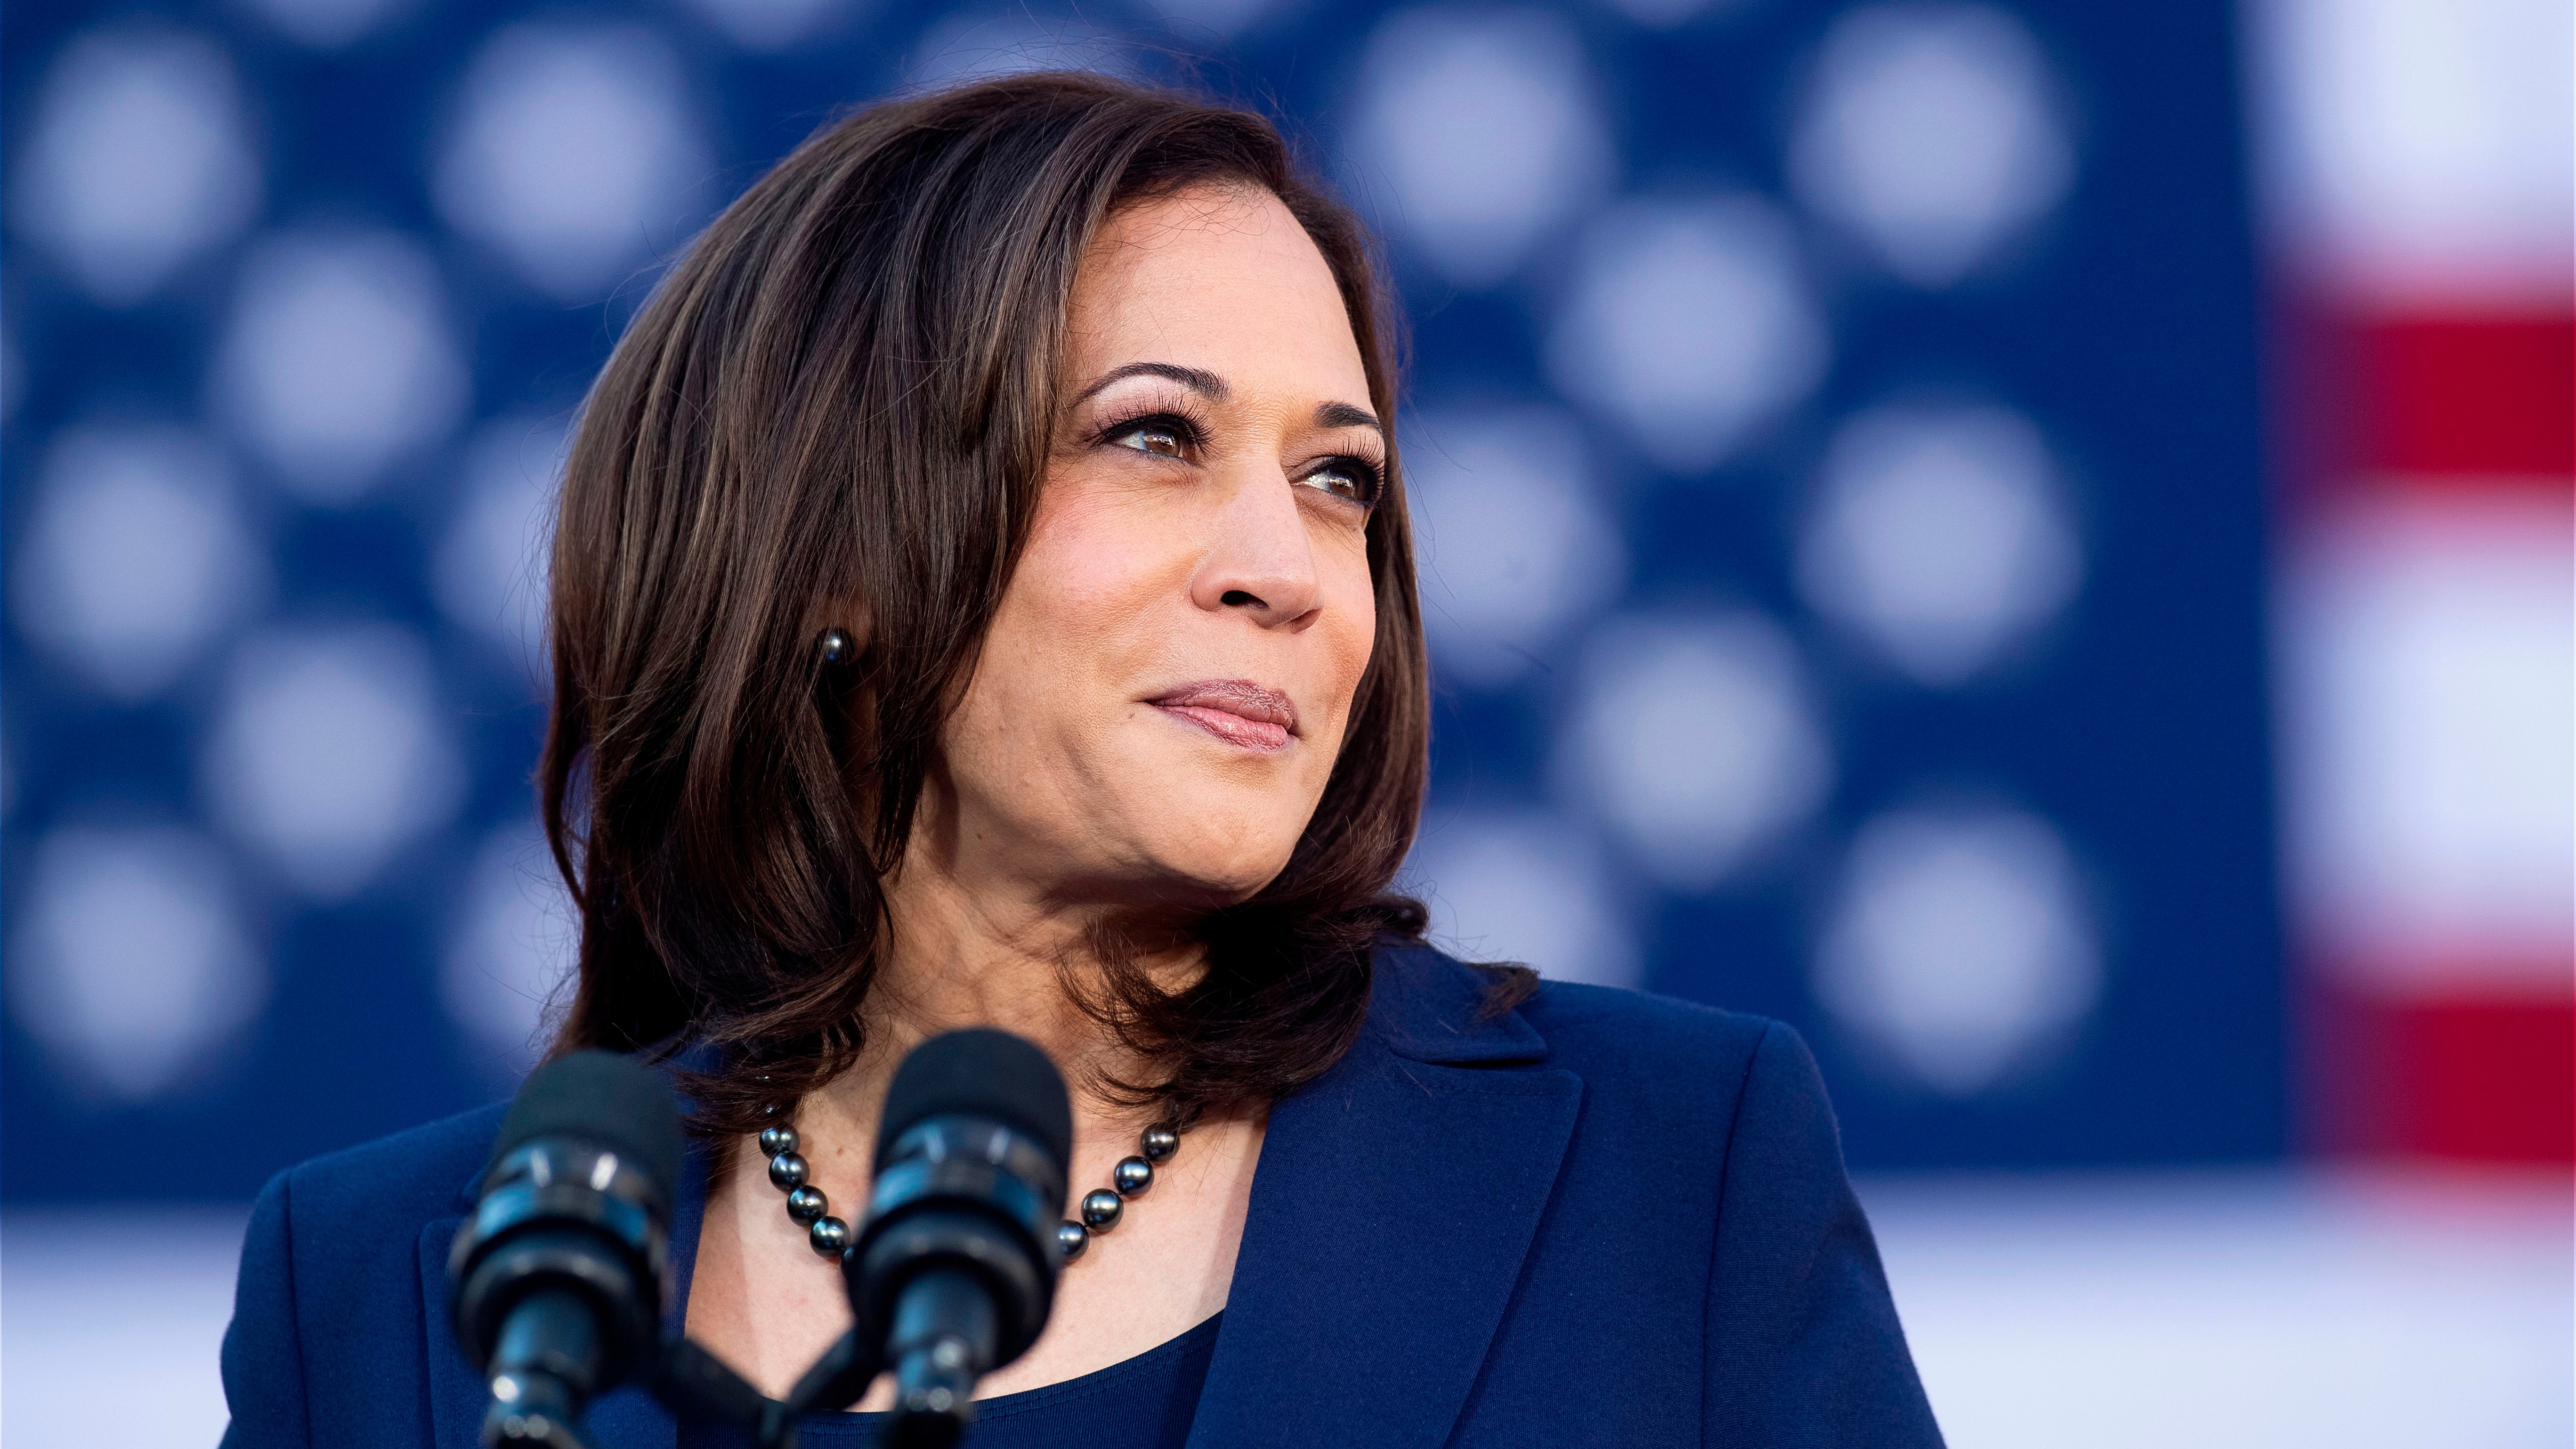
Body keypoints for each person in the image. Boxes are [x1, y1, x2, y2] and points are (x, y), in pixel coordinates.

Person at [218, 73, 1941, 1448]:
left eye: (1339, 478)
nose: (1290, 567)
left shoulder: (1672, 1174)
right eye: (1155, 438)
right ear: (836, 549)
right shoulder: (378, 1293)